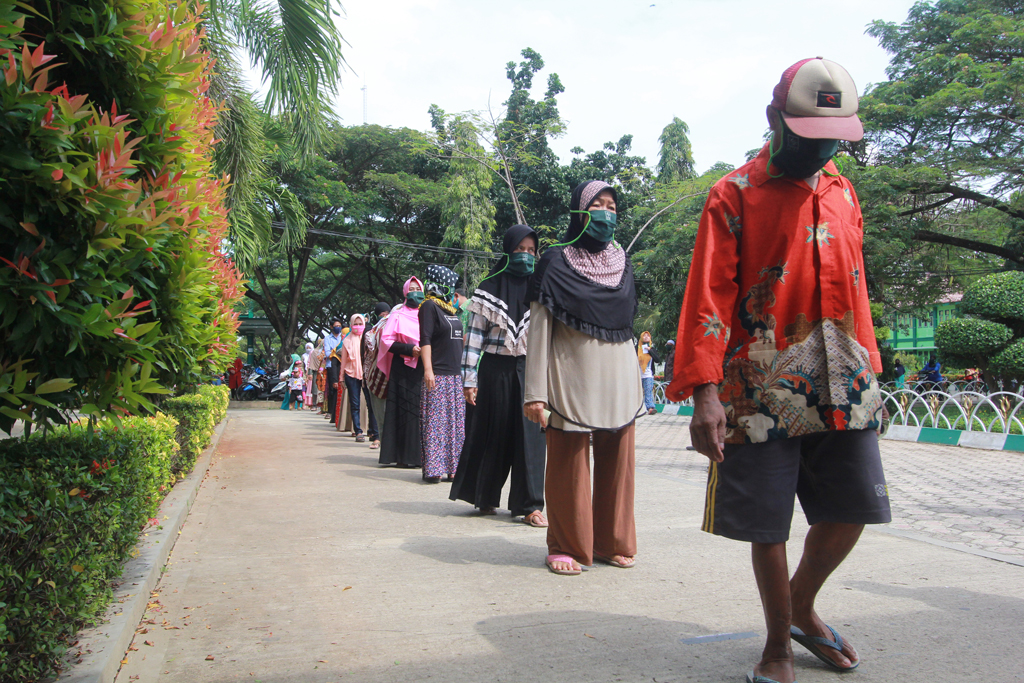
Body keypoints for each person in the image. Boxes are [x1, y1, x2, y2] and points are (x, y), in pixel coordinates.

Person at [667, 58, 890, 683]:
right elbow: (707, 297)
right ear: (775, 120)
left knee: (856, 507)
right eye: (808, 134)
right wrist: (703, 393)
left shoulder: (843, 192)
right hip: (757, 382)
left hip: (844, 374)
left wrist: (872, 372)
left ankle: (801, 606)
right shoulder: (734, 194)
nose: (820, 149)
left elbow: (858, 286)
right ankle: (777, 645)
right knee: (768, 521)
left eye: (832, 138)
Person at [524, 180, 644, 576]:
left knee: (618, 465)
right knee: (568, 466)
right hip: (570, 379)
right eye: (597, 205)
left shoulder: (622, 260)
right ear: (579, 211)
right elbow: (539, 328)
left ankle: (612, 542)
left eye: (612, 206)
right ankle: (566, 546)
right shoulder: (555, 261)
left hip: (618, 378)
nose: (606, 213)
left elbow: (627, 322)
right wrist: (535, 392)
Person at [450, 225, 547, 526]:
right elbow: (474, 338)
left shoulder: (542, 287)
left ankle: (530, 506)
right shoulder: (488, 290)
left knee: (530, 439)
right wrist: (469, 380)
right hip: (494, 370)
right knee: (493, 433)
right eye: (520, 250)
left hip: (530, 370)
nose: (527, 257)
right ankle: (485, 496)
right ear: (508, 251)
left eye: (531, 251)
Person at [418, 265, 466, 483]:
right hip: (438, 374)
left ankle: (454, 467)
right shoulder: (429, 306)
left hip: (456, 376)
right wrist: (428, 369)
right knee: (436, 425)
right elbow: (425, 339)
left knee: (455, 425)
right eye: (450, 286)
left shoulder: (451, 309)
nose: (453, 291)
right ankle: (435, 467)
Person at [378, 277, 425, 468]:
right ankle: (402, 456)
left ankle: (422, 456)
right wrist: (408, 349)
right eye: (411, 289)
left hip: (424, 366)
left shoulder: (428, 313)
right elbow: (386, 340)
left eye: (418, 288)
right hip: (403, 367)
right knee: (404, 409)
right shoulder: (397, 315)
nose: (414, 292)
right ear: (405, 292)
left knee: (422, 410)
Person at [338, 313, 378, 443]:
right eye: (355, 324)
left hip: (366, 374)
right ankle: (358, 431)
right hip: (351, 374)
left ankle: (373, 432)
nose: (358, 326)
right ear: (351, 325)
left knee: (370, 404)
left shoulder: (368, 338)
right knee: (355, 404)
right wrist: (341, 378)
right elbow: (343, 361)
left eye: (361, 324)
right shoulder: (346, 341)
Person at [362, 302, 393, 449]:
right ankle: (378, 437)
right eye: (381, 316)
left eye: (387, 315)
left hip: (390, 377)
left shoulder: (394, 326)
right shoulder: (370, 332)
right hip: (374, 377)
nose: (385, 318)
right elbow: (368, 354)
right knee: (376, 410)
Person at [324, 319, 344, 422]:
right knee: (332, 389)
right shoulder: (327, 338)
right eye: (336, 325)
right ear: (331, 327)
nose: (338, 327)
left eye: (339, 325)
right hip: (331, 365)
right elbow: (327, 353)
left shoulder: (343, 337)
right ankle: (331, 412)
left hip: (342, 364)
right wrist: (336, 352)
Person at [637, 331, 661, 415]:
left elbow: (658, 360)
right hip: (638, 375)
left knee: (648, 392)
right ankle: (637, 409)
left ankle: (650, 408)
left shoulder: (652, 348)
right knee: (637, 393)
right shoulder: (637, 348)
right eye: (644, 335)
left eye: (648, 336)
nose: (646, 337)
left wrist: (650, 350)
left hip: (648, 375)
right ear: (641, 337)